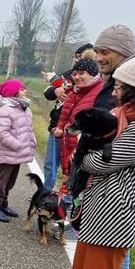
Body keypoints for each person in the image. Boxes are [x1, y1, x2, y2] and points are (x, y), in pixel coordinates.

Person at [59, 25, 135, 269]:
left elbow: (111, 155)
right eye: (98, 51)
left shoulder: (126, 91)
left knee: (113, 253)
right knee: (95, 250)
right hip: (98, 185)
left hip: (114, 193)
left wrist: (86, 156)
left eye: (105, 51)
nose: (99, 56)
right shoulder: (111, 82)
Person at [42, 43, 93, 191]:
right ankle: (46, 193)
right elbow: (47, 92)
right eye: (76, 57)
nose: (77, 60)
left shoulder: (95, 82)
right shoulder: (68, 74)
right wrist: (56, 90)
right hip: (57, 126)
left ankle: (68, 199)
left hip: (77, 132)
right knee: (50, 164)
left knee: (72, 167)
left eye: (80, 57)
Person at [0, 79, 36, 223]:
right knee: (2, 181)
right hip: (8, 152)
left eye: (24, 89)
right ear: (13, 92)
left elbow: (29, 129)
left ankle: (4, 204)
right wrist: (18, 145)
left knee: (10, 181)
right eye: (22, 89)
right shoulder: (5, 110)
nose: (25, 91)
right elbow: (1, 133)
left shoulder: (24, 108)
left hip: (18, 153)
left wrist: (31, 142)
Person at [53, 51, 103, 185]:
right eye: (75, 73)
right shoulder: (74, 91)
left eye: (81, 73)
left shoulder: (100, 93)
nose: (76, 77)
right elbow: (65, 114)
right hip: (68, 142)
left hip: (84, 150)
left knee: (79, 188)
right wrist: (59, 127)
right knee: (69, 183)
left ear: (92, 74)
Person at [93, 24, 135, 110]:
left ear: (124, 53)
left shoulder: (131, 87)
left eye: (105, 52)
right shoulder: (110, 80)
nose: (98, 58)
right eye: (97, 52)